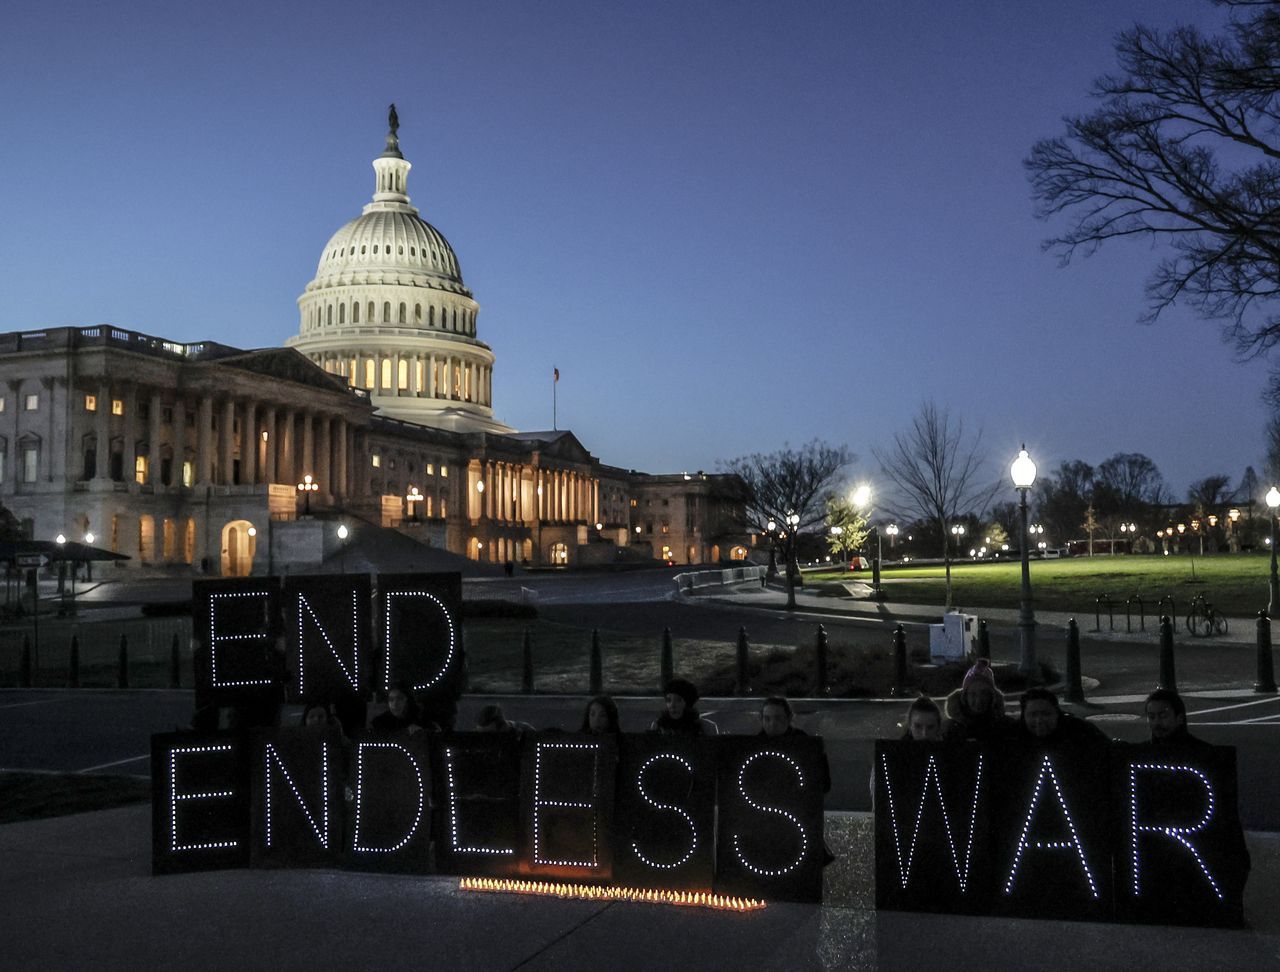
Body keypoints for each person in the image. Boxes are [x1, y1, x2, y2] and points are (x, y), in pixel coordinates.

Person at [943, 658, 1014, 742]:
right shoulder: (950, 729)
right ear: (965, 697)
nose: (979, 700)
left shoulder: (1006, 726)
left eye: (984, 694)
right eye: (973, 694)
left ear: (992, 697)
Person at [1017, 687, 1108, 746]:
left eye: (1046, 714)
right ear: (1023, 716)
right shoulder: (1013, 739)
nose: (1039, 720)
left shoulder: (1081, 733)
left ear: (1057, 713)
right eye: (1033, 714)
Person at [650, 678, 717, 736]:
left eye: (678, 700)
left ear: (687, 703)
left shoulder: (706, 727)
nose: (672, 705)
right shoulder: (658, 725)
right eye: (668, 700)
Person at [1144, 688, 1208, 747]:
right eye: (1152, 717)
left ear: (1179, 718)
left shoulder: (1206, 754)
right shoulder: (1204, 752)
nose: (1156, 722)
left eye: (1163, 716)